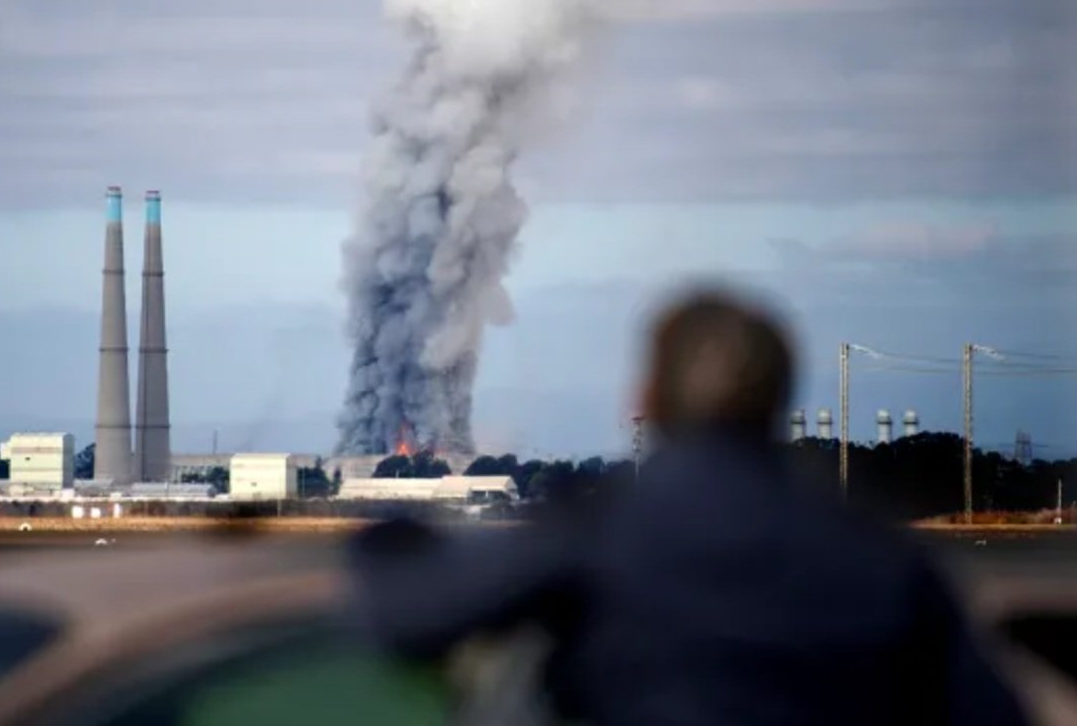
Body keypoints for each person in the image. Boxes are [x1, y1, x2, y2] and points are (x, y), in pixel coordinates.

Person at [348, 289, 1029, 725]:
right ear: (779, 399)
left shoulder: (603, 528)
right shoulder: (884, 558)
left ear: (643, 399)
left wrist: (390, 527)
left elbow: (411, 616)